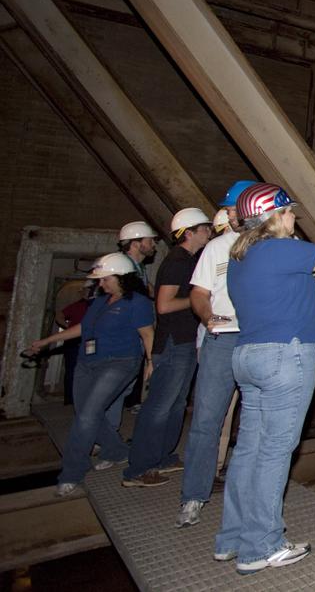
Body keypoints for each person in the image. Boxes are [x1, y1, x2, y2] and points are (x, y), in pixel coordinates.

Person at [214, 183, 315, 576]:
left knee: (249, 450)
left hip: (248, 356)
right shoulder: (279, 250)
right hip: (285, 357)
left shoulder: (244, 256)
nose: (294, 216)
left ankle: (233, 538)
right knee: (275, 451)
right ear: (274, 217)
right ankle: (261, 546)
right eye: (289, 212)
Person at [23, 253, 155, 496]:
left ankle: (71, 472)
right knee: (87, 413)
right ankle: (117, 452)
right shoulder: (99, 301)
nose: (100, 284)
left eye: (105, 279)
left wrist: (150, 362)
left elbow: (147, 334)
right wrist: (47, 341)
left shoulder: (138, 302)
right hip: (87, 363)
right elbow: (83, 328)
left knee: (85, 418)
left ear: (121, 277)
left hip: (120, 363)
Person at [176, 180, 255, 528]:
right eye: (230, 209)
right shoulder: (217, 247)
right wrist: (208, 318)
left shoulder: (276, 247)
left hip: (259, 341)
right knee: (207, 420)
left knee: (259, 423)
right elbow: (199, 293)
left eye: (236, 208)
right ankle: (193, 496)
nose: (230, 214)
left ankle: (250, 496)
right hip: (222, 340)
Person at [123, 208, 213, 487]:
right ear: (189, 233)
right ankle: (138, 468)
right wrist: (199, 299)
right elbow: (164, 305)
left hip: (184, 341)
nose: (209, 232)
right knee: (159, 407)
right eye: (204, 228)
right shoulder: (177, 262)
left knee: (175, 405)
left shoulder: (189, 260)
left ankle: (162, 457)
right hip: (174, 342)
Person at [117, 220, 159, 414]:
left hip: (134, 332)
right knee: (116, 385)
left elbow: (149, 290)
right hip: (125, 334)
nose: (154, 245)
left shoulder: (137, 268)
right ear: (136, 243)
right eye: (150, 241)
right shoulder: (122, 268)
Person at [56, 280, 95, 405]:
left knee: (89, 368)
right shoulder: (79, 305)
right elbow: (59, 315)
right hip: (75, 341)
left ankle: (81, 398)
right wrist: (68, 327)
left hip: (89, 341)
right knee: (72, 369)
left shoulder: (98, 305)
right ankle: (70, 399)